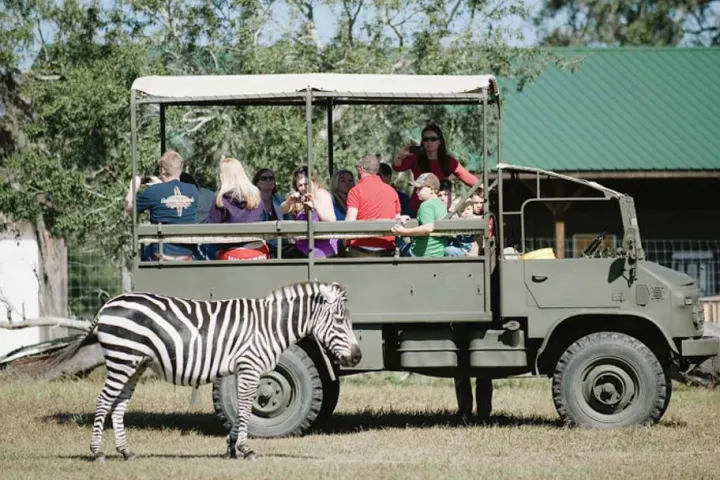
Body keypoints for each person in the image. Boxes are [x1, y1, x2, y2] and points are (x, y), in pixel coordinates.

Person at [124, 150, 198, 261]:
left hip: (161, 254)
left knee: (145, 250)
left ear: (162, 170)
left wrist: (133, 187)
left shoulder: (153, 191)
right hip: (186, 255)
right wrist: (162, 185)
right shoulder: (193, 190)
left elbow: (129, 208)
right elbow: (173, 191)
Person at [392, 124, 479, 216]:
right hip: (418, 207)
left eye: (433, 139)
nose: (429, 142)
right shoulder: (415, 158)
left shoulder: (449, 161)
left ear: (439, 141)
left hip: (439, 208)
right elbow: (397, 167)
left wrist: (482, 188)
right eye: (425, 139)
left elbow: (472, 180)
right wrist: (400, 156)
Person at [209, 158, 268, 261]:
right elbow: (264, 219)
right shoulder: (256, 196)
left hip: (232, 255)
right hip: (259, 252)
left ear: (222, 177)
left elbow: (212, 229)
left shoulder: (220, 200)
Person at [344, 155, 400, 257]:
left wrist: (345, 242)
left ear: (361, 169)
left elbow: (349, 222)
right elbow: (397, 220)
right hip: (386, 248)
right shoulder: (392, 191)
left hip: (360, 247)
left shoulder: (355, 191)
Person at [280, 166, 338, 258]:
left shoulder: (321, 194)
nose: (303, 188)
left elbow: (331, 220)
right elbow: (282, 210)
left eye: (306, 184)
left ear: (313, 181)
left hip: (322, 252)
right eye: (300, 185)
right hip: (302, 250)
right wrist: (289, 201)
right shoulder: (300, 198)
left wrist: (316, 207)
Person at [391, 172, 447, 257]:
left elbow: (428, 228)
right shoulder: (440, 204)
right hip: (438, 253)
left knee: (398, 242)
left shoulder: (426, 205)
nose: (416, 191)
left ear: (431, 189)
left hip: (420, 254)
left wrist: (404, 232)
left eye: (419, 188)